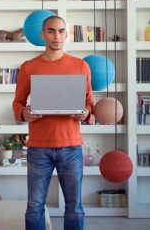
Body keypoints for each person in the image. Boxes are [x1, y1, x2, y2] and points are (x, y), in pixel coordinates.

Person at [12, 15, 94, 230]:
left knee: (75, 207)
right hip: (39, 148)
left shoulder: (81, 66)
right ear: (42, 34)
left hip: (71, 147)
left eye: (60, 31)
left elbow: (90, 104)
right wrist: (24, 113)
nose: (56, 36)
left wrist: (86, 113)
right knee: (35, 206)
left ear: (66, 34)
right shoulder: (29, 67)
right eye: (51, 31)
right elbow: (18, 103)